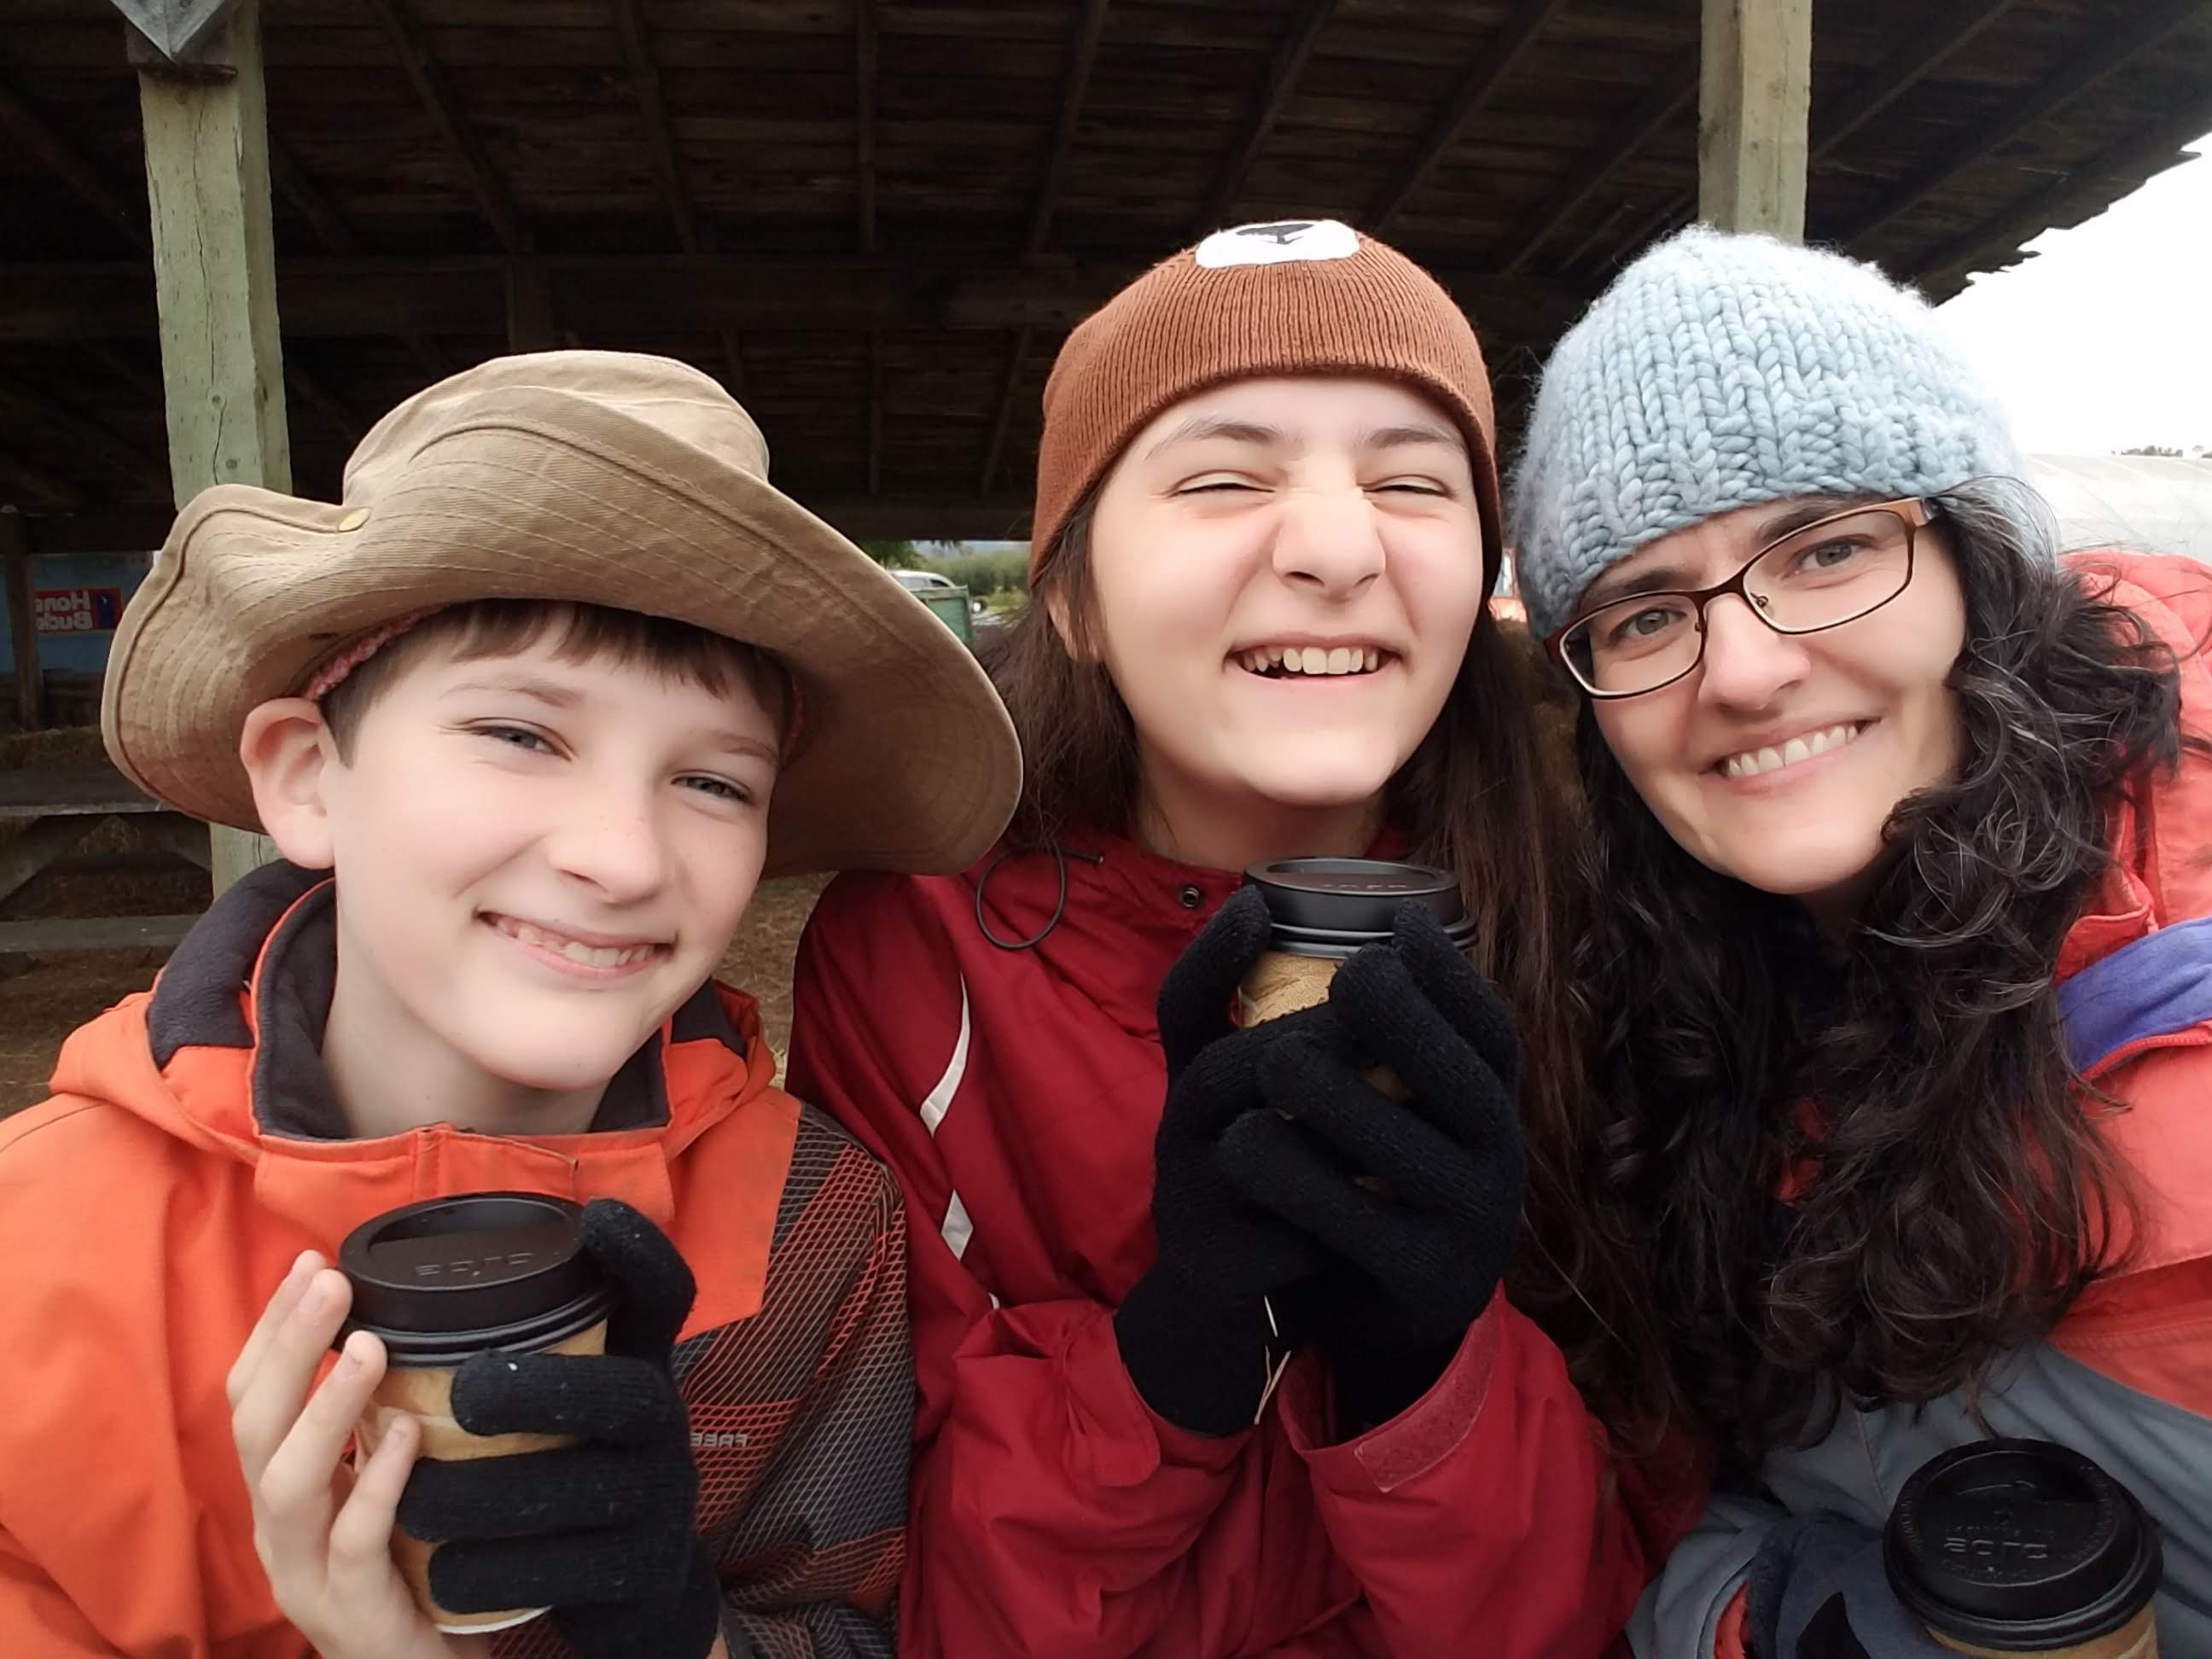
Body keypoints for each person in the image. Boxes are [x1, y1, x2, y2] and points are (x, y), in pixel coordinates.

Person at [0, 352, 1021, 1659]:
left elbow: (838, 1618)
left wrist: (683, 1634)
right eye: (522, 736)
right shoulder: (40, 1246)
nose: (624, 857)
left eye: (715, 783)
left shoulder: (813, 1222)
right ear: (307, 777)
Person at [787, 218, 1681, 1658]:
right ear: (1070, 597)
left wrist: (1422, 1383)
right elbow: (895, 1584)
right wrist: (1170, 1362)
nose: (1336, 548)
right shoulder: (909, 953)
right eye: (1223, 478)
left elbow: (1656, 1584)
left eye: (1410, 481)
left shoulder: (1595, 929)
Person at [1510, 227, 2212, 1656]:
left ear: (1979, 568)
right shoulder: (1666, 1006)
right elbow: (1678, 1495)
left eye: (1827, 550)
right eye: (1643, 614)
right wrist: (1780, 1619)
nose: (1744, 670)